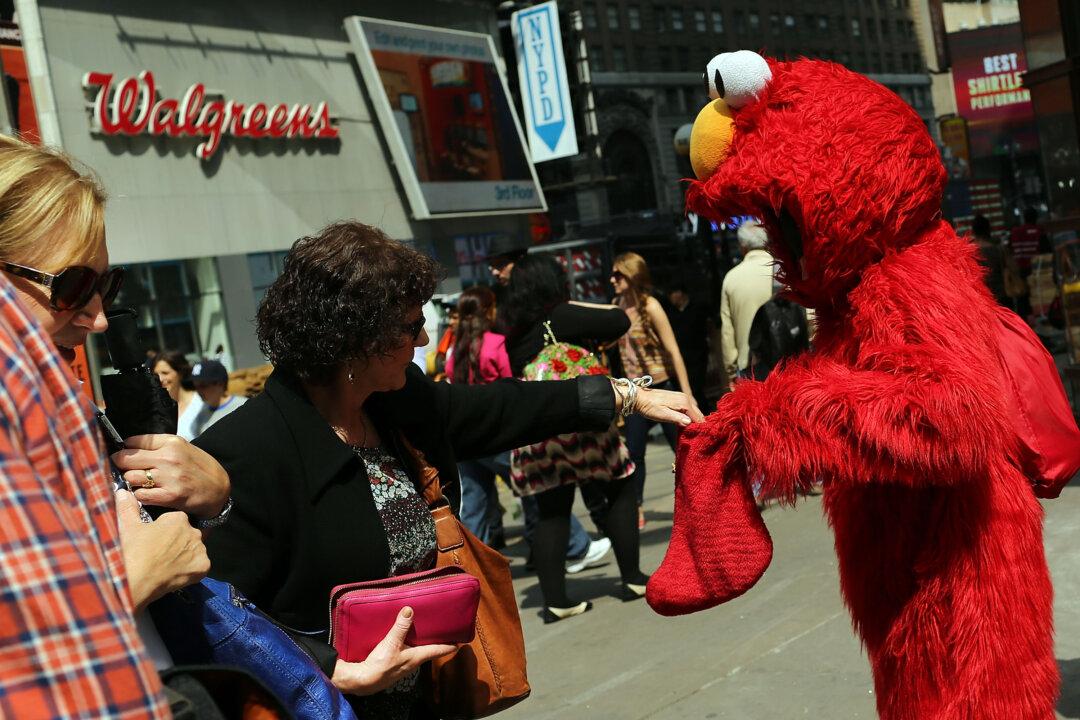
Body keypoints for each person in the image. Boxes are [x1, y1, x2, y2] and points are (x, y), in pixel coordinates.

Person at [195, 222, 700, 718]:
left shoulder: (398, 401)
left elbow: (503, 408)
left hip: (427, 698)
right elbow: (214, 612)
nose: (421, 341)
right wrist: (332, 668)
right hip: (324, 707)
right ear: (356, 337)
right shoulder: (243, 453)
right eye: (409, 327)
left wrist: (625, 395)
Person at [0, 135, 229, 716]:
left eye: (108, 285)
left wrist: (213, 499)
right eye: (72, 286)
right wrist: (135, 579)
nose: (99, 316)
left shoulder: (66, 407)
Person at [501, 253, 649, 622]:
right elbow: (618, 320)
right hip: (585, 420)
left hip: (542, 430)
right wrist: (570, 302)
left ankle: (555, 600)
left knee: (552, 509)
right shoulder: (562, 316)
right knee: (618, 487)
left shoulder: (515, 335)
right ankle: (631, 578)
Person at [611, 252, 697, 528]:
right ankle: (636, 507)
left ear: (631, 274)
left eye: (617, 275)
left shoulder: (652, 306)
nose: (612, 280)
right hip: (634, 392)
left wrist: (687, 393)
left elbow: (674, 350)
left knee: (684, 448)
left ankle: (699, 501)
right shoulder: (615, 306)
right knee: (634, 451)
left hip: (662, 385)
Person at [445, 286, 512, 547]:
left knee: (473, 504)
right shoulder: (495, 343)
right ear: (488, 311)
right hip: (496, 430)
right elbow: (510, 386)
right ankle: (574, 544)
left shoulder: (456, 347)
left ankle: (473, 563)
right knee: (530, 492)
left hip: (466, 433)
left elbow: (451, 378)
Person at [720, 220, 774, 381]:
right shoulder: (782, 270)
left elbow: (727, 332)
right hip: (788, 362)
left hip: (749, 369)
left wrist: (731, 372)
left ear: (742, 247)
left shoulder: (731, 278)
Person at [666, 283, 711, 410]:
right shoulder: (671, 314)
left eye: (673, 293)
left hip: (698, 356)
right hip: (681, 358)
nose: (671, 298)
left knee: (697, 389)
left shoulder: (697, 308)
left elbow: (707, 328)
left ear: (680, 293)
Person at [185, 358, 247, 440]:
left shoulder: (243, 406)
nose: (198, 391)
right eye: (195, 386)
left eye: (203, 386)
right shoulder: (201, 413)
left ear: (220, 384)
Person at [151, 350, 203, 439]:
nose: (160, 379)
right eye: (156, 375)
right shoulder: (154, 409)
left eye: (165, 373)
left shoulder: (201, 402)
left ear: (181, 373)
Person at [971, 214, 1008, 305]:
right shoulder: (998, 249)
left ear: (973, 231)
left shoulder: (970, 252)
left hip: (980, 299)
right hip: (1000, 297)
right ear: (988, 229)